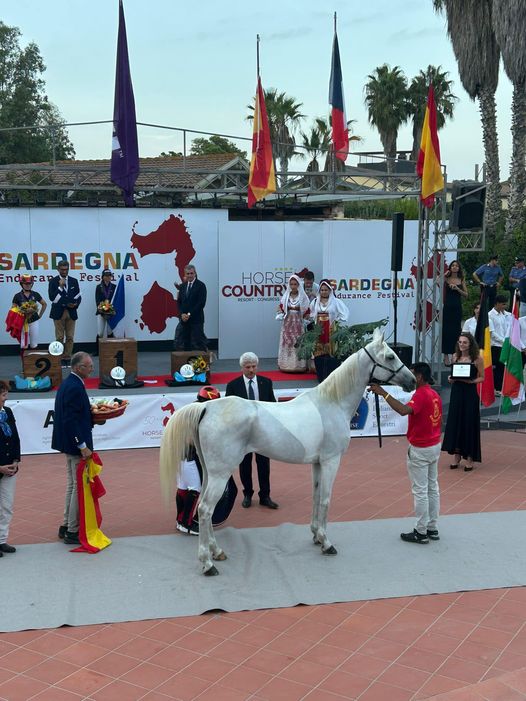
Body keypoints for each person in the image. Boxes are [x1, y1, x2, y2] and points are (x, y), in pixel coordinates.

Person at [369, 363, 442, 544]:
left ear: (419, 377)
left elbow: (403, 410)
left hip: (421, 448)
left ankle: (421, 531)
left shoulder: (421, 394)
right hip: (434, 445)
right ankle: (432, 527)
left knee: (420, 491)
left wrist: (383, 393)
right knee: (432, 488)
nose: (409, 377)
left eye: (412, 373)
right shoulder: (434, 394)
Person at [176, 386, 238, 534]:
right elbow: (192, 440)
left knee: (183, 489)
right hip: (190, 459)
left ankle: (181, 520)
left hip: (183, 458)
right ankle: (187, 523)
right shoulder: (197, 416)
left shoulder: (190, 412)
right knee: (194, 489)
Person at [51, 352, 95, 545]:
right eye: (89, 366)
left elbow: (75, 415)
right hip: (76, 445)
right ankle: (73, 530)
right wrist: (82, 445)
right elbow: (70, 420)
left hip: (67, 444)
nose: (92, 369)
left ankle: (66, 524)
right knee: (78, 487)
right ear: (78, 368)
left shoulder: (68, 383)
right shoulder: (75, 387)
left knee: (71, 485)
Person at [225, 352, 278, 509]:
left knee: (264, 465)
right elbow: (230, 410)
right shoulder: (233, 385)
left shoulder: (266, 383)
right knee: (245, 465)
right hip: (243, 433)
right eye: (248, 367)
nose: (251, 370)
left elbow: (273, 406)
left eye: (254, 366)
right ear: (242, 367)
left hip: (262, 432)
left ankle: (265, 496)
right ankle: (247, 494)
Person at [442, 333, 484, 471]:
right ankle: (457, 454)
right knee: (456, 421)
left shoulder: (477, 358)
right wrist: (450, 378)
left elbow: (482, 378)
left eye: (464, 342)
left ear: (470, 344)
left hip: (470, 393)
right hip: (457, 392)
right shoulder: (455, 356)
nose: (461, 344)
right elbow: (454, 373)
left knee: (468, 422)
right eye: (460, 342)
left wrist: (471, 381)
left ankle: (470, 457)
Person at [308, 279, 349, 382]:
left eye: (326, 290)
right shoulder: (315, 302)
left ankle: (332, 375)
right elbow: (311, 314)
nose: (324, 292)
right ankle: (321, 375)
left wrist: (336, 321)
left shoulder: (335, 302)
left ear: (330, 290)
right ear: (319, 291)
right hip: (318, 330)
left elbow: (345, 313)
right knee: (319, 352)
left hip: (330, 329)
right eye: (322, 290)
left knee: (331, 352)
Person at [0, 380, 20, 556]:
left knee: (7, 505)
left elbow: (15, 438)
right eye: (3, 394)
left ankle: (2, 540)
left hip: (10, 468)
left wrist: (15, 460)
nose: (6, 398)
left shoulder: (8, 412)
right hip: (0, 468)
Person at [48, 261, 81, 364]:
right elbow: (52, 298)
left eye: (66, 269)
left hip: (71, 312)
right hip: (59, 312)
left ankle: (68, 357)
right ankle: (59, 358)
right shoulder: (53, 281)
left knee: (70, 336)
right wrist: (60, 287)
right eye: (62, 269)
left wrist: (76, 304)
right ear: (58, 269)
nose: (64, 271)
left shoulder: (73, 281)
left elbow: (78, 295)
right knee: (59, 337)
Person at [276, 274, 310, 373]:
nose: (293, 286)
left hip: (298, 323)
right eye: (291, 284)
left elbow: (307, 310)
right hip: (287, 323)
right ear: (289, 285)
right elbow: (281, 307)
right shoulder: (286, 296)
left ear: (299, 284)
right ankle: (285, 365)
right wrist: (280, 310)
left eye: (295, 284)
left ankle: (299, 365)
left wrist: (304, 314)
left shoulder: (302, 296)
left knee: (298, 343)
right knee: (287, 342)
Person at [174, 264, 207, 351]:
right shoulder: (183, 286)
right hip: (184, 320)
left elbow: (201, 303)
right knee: (185, 342)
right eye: (187, 273)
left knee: (198, 342)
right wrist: (182, 314)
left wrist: (189, 314)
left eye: (191, 273)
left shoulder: (201, 286)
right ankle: (187, 363)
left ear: (195, 273)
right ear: (185, 274)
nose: (189, 275)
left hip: (196, 320)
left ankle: (205, 360)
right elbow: (179, 302)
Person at [442, 260, 467, 366]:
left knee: (456, 331)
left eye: (457, 265)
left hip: (457, 308)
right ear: (450, 267)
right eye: (453, 265)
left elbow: (466, 294)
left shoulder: (461, 279)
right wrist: (444, 275)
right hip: (447, 307)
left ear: (459, 268)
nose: (455, 267)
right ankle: (445, 356)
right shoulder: (446, 278)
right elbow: (436, 282)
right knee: (446, 330)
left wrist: (457, 288)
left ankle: (454, 354)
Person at [11, 274, 47, 350]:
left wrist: (39, 315)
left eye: (29, 283)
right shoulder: (17, 296)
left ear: (32, 284)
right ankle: (24, 361)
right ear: (21, 284)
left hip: (34, 321)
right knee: (24, 344)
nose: (28, 285)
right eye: (25, 283)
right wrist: (22, 310)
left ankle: (33, 361)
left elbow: (44, 304)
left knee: (34, 344)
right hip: (22, 322)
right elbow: (13, 309)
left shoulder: (35, 294)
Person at [489, 294, 512, 393]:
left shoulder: (503, 315)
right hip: (495, 346)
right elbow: (492, 333)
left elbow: (505, 329)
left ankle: (500, 387)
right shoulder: (490, 315)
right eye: (503, 304)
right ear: (497, 304)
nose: (504, 306)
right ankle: (496, 388)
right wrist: (504, 341)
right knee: (497, 368)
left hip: (504, 345)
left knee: (502, 367)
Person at [95, 269, 116, 347]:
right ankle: (97, 350)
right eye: (106, 276)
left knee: (110, 331)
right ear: (103, 277)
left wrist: (110, 309)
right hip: (101, 312)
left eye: (109, 275)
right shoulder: (98, 287)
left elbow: (115, 300)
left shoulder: (114, 287)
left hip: (111, 312)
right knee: (100, 332)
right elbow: (97, 301)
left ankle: (110, 349)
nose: (108, 277)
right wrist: (104, 308)